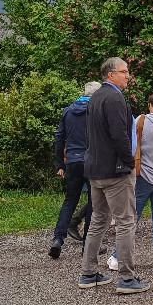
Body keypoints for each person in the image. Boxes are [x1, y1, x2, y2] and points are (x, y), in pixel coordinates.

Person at [78, 57, 149, 294]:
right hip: (115, 171)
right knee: (126, 221)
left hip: (95, 169)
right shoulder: (115, 98)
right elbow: (120, 135)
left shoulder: (95, 97)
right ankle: (127, 278)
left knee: (98, 220)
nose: (128, 75)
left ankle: (88, 273)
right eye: (124, 71)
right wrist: (129, 162)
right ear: (111, 75)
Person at [107, 92, 153, 273]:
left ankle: (117, 257)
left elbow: (130, 143)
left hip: (143, 176)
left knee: (131, 218)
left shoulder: (141, 120)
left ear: (151, 105)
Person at [48, 81, 100, 259]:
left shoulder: (68, 111)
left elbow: (59, 137)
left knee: (70, 201)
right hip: (92, 161)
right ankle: (88, 244)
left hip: (72, 160)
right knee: (94, 202)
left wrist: (59, 164)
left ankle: (58, 240)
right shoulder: (95, 111)